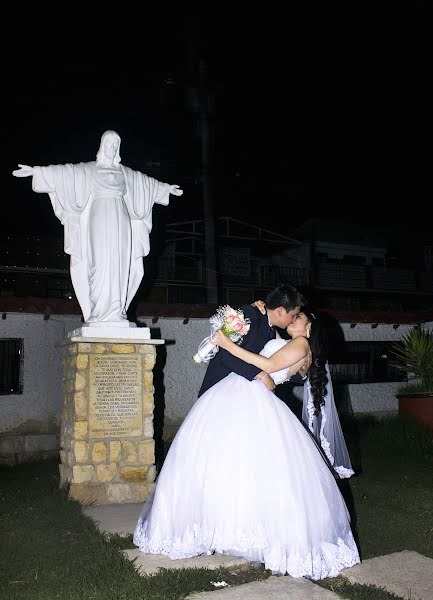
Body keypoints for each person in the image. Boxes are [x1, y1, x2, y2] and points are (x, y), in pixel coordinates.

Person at [133, 308, 360, 579]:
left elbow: (268, 366)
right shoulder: (289, 341)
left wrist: (229, 346)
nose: (294, 318)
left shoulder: (301, 344)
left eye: (299, 318)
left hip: (251, 399)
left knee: (234, 463)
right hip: (244, 395)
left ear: (310, 329)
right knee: (235, 466)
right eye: (294, 314)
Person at [12, 130, 183, 326]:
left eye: (114, 145)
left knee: (119, 263)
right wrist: (37, 172)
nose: (111, 148)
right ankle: (98, 310)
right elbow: (67, 173)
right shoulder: (90, 169)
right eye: (108, 144)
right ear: (102, 146)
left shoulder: (125, 173)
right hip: (99, 217)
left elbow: (145, 184)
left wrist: (166, 189)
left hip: (122, 218)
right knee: (99, 261)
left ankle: (117, 310)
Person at [197, 284, 308, 397]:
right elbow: (224, 352)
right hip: (219, 388)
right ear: (280, 311)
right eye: (293, 315)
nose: (294, 319)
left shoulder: (272, 332)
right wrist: (259, 374)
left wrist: (302, 373)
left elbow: (279, 369)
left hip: (242, 394)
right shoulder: (250, 315)